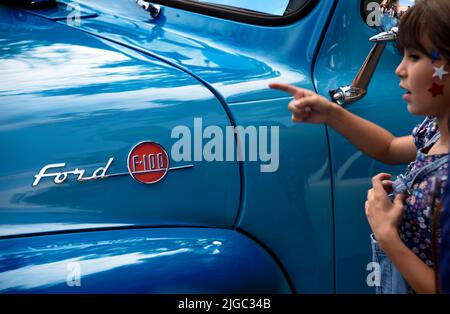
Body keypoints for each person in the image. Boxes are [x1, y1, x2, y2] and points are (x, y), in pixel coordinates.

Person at [269, 0, 450, 294]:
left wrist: (386, 234)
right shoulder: (433, 131)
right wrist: (332, 114)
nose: (400, 70)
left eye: (415, 56)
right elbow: (390, 148)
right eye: (402, 54)